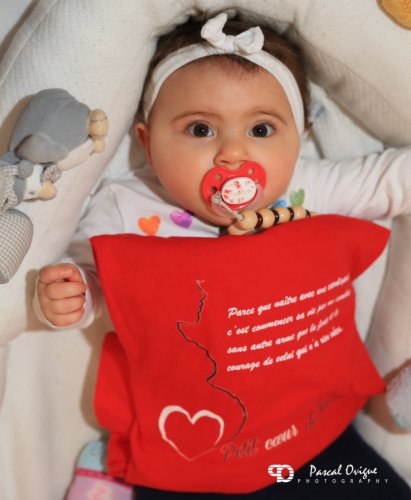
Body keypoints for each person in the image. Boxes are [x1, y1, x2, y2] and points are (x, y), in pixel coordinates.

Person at [33, 9, 411, 500]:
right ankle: (111, 470)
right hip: (192, 446)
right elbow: (97, 280)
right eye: (200, 130)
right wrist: (74, 295)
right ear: (148, 143)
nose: (233, 154)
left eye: (261, 131)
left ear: (300, 139)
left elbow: (391, 179)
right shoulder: (127, 207)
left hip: (310, 433)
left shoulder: (304, 189)